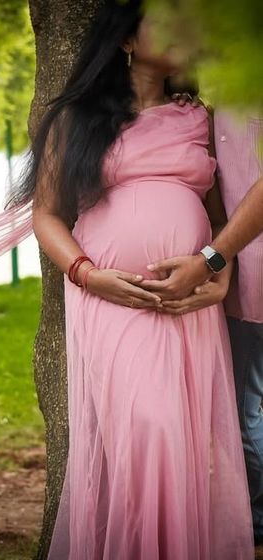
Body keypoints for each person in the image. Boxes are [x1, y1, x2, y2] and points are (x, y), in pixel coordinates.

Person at [5, 0, 255, 557]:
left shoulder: (200, 117)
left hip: (189, 304)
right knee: (148, 433)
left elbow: (221, 216)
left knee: (187, 446)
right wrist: (87, 275)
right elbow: (46, 214)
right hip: (112, 301)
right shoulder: (76, 118)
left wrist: (219, 271)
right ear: (124, 40)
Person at [140, 106, 263, 545]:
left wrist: (212, 260)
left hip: (245, 284)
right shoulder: (211, 113)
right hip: (238, 286)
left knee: (248, 413)